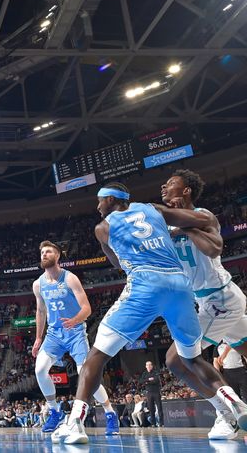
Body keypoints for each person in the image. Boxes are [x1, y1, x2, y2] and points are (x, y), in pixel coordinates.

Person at [52, 183, 247, 444]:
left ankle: (74, 423)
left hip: (146, 285)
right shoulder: (153, 209)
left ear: (110, 200)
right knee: (191, 359)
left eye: (100, 201)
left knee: (96, 354)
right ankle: (233, 401)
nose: (97, 206)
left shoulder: (103, 228)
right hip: (180, 287)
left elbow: (117, 263)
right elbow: (201, 219)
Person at [161, 169, 247, 439]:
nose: (164, 187)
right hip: (211, 301)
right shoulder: (167, 227)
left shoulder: (204, 215)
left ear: (186, 191)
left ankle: (227, 414)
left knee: (176, 360)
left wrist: (184, 226)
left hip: (219, 299)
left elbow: (212, 249)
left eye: (171, 184)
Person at [31, 240, 119, 435]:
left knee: (84, 372)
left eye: (48, 251)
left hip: (75, 331)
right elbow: (40, 311)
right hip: (54, 334)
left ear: (58, 256)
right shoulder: (38, 284)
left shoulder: (70, 278)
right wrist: (38, 338)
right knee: (40, 369)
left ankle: (110, 413)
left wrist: (74, 320)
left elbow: (87, 308)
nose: (44, 254)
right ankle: (55, 411)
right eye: (42, 252)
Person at [139, 361, 163, 427]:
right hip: (149, 393)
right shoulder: (144, 373)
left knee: (159, 408)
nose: (149, 366)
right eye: (147, 365)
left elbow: (156, 380)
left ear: (152, 366)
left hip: (156, 392)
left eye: (150, 365)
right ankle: (153, 423)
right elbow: (141, 381)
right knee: (151, 409)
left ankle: (161, 423)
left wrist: (146, 382)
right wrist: (149, 379)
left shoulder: (155, 372)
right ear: (146, 366)